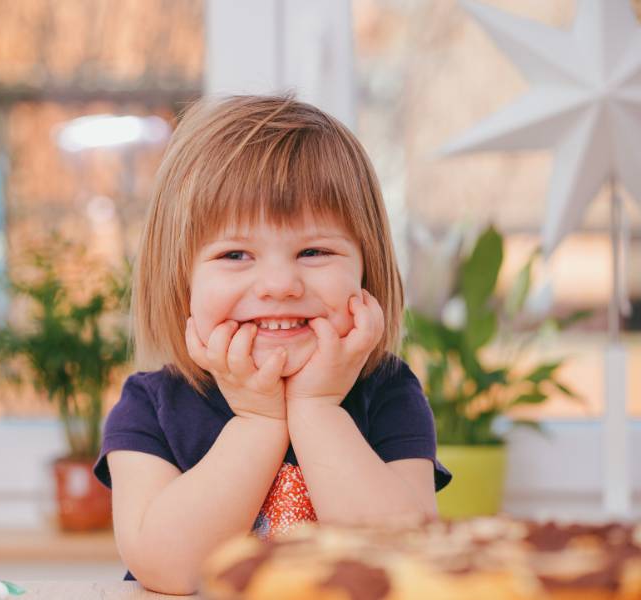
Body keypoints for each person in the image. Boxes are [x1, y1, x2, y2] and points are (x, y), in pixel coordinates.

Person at [93, 94, 451, 594]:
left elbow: (403, 562)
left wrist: (317, 409)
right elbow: (167, 568)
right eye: (236, 254)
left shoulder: (388, 392)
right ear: (181, 281)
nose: (280, 284)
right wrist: (258, 421)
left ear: (366, 270)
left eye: (314, 250)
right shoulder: (150, 406)